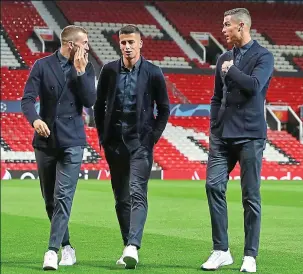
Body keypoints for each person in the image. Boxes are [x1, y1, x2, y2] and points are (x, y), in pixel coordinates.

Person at [201, 8, 274, 273]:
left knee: (250, 196)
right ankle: (221, 250)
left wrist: (231, 71)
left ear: (241, 26)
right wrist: (213, 125)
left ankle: (250, 255)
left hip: (250, 135)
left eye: (226, 25)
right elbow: (216, 97)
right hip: (222, 135)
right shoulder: (223, 57)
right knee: (212, 186)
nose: (222, 30)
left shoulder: (263, 56)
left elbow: (254, 86)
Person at [93, 24, 170, 269]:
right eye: (123, 42)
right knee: (121, 199)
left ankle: (133, 246)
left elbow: (164, 109)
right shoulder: (108, 71)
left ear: (140, 43)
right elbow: (98, 106)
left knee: (138, 193)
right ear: (119, 44)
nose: (127, 46)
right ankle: (128, 245)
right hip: (114, 144)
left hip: (140, 144)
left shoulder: (154, 72)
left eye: (131, 42)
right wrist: (103, 138)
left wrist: (153, 137)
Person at [21, 25, 96, 271]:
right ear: (71, 44)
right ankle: (67, 247)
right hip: (46, 141)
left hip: (73, 140)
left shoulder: (86, 66)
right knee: (50, 200)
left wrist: (82, 72)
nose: (87, 46)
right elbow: (27, 99)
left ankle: (51, 251)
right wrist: (35, 120)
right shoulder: (41, 66)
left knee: (63, 196)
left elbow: (89, 101)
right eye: (84, 42)